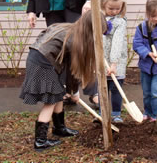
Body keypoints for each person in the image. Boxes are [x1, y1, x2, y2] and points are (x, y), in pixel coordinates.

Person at [20, 10, 108, 151]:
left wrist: (71, 91)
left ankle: (59, 128)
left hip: (37, 57)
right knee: (51, 100)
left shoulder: (69, 28)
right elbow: (74, 72)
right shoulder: (76, 41)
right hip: (44, 63)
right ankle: (40, 141)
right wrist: (74, 93)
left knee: (58, 93)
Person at [83, 0, 128, 123]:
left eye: (117, 8)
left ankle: (115, 114)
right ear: (103, 5)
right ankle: (103, 113)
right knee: (102, 88)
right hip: (101, 62)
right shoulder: (98, 20)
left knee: (115, 89)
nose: (114, 11)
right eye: (111, 8)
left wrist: (114, 64)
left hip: (116, 63)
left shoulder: (120, 23)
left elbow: (117, 43)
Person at [133, 0, 157, 122]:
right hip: (146, 67)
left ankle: (155, 115)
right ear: (148, 14)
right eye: (153, 16)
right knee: (147, 92)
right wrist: (147, 53)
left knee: (155, 93)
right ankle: (147, 111)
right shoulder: (142, 28)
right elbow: (137, 44)